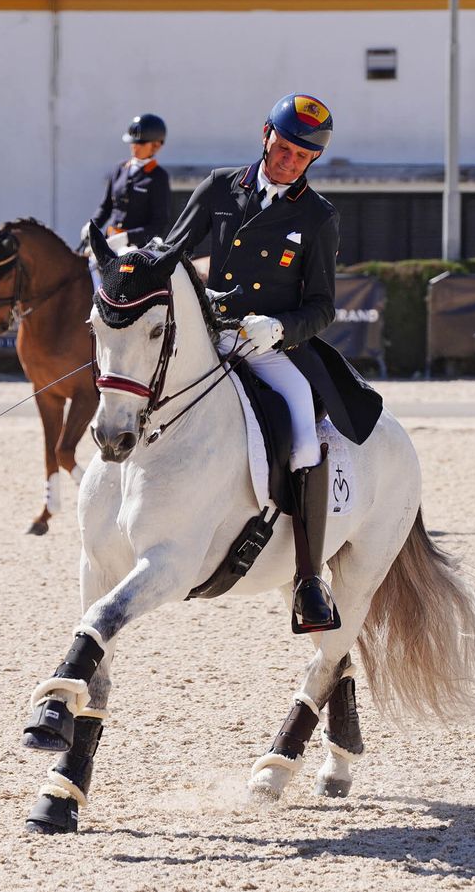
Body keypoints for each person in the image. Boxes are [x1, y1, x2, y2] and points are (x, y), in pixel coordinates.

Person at [168, 93, 381, 635]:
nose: (288, 160)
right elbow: (172, 253)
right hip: (206, 334)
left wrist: (278, 328)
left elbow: (323, 306)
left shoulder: (318, 216)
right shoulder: (220, 188)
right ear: (265, 134)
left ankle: (309, 578)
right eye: (283, 147)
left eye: (301, 156)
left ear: (313, 160)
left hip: (266, 348)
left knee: (304, 430)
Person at [85, 114, 171, 252]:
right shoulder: (119, 168)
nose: (135, 147)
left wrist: (127, 238)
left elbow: (158, 223)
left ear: (156, 145)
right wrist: (91, 226)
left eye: (141, 143)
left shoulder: (158, 177)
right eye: (133, 142)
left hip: (136, 248)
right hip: (109, 240)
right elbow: (106, 207)